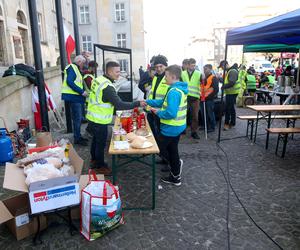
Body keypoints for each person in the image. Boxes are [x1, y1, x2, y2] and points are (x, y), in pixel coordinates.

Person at [86, 61, 143, 175]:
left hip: (92, 116)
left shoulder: (99, 79)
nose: (119, 74)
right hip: (99, 119)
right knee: (100, 144)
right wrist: (137, 103)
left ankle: (94, 160)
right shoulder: (107, 86)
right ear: (109, 71)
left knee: (95, 141)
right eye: (117, 72)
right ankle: (99, 166)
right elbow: (119, 104)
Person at [146, 65, 187, 186]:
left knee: (158, 148)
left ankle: (176, 166)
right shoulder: (176, 89)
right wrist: (147, 101)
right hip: (177, 127)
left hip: (171, 128)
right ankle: (175, 176)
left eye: (166, 76)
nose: (164, 78)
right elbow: (162, 102)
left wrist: (157, 112)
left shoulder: (174, 92)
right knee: (172, 149)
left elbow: (171, 113)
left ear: (173, 76)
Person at [61, 55, 89, 146]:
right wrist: (81, 92)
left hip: (77, 97)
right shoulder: (72, 67)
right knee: (77, 119)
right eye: (83, 63)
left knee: (79, 118)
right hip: (74, 97)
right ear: (79, 61)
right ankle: (77, 138)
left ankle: (78, 136)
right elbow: (70, 82)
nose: (83, 65)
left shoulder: (76, 69)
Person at [147, 55, 169, 140]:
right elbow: (152, 94)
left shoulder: (168, 78)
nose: (159, 69)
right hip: (153, 110)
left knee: (161, 135)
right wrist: (148, 107)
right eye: (156, 67)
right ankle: (157, 150)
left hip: (163, 111)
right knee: (154, 133)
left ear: (165, 66)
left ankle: (161, 152)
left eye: (161, 66)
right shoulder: (155, 77)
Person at [181, 58, 202, 139]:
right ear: (188, 65)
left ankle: (194, 132)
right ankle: (182, 130)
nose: (193, 67)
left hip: (195, 98)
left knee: (195, 116)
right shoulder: (182, 74)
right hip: (185, 97)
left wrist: (203, 78)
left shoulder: (198, 73)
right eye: (192, 65)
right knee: (183, 115)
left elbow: (204, 82)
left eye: (194, 65)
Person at [219, 60, 240, 130]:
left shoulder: (232, 71)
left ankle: (227, 123)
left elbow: (232, 83)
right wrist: (220, 79)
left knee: (228, 108)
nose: (222, 68)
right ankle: (232, 122)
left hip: (232, 92)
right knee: (230, 108)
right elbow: (227, 81)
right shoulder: (229, 71)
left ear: (226, 65)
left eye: (222, 67)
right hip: (230, 92)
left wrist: (223, 87)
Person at [200, 64, 219, 132]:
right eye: (204, 69)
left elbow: (216, 89)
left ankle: (212, 127)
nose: (204, 70)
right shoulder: (204, 78)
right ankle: (205, 125)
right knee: (203, 114)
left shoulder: (213, 78)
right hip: (202, 98)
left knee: (210, 113)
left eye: (206, 69)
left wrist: (209, 97)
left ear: (210, 69)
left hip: (209, 99)